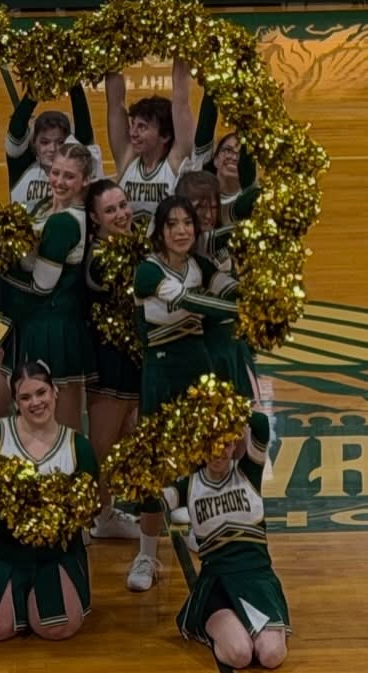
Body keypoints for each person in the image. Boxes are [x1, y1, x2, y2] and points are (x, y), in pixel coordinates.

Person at [127, 195, 240, 592]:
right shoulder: (146, 271)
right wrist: (235, 305)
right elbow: (190, 301)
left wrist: (253, 290)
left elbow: (231, 291)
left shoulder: (202, 266)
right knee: (154, 464)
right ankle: (145, 553)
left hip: (198, 368)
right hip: (161, 372)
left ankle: (195, 525)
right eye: (172, 224)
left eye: (188, 223)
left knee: (199, 457)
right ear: (159, 231)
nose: (181, 231)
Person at [0, 361, 98, 641]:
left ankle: (27, 600)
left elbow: (89, 509)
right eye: (25, 397)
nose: (35, 402)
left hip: (53, 553)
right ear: (15, 402)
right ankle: (16, 601)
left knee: (59, 628)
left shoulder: (77, 446)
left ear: (55, 392)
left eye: (41, 392)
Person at [0, 143, 95, 430]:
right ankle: (26, 455)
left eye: (69, 177)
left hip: (56, 331)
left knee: (63, 426)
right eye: (55, 173)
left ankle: (65, 472)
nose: (59, 182)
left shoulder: (66, 222)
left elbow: (41, 285)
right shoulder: (42, 207)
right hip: (27, 324)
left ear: (85, 181)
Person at [163, 411, 290, 669]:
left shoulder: (249, 471)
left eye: (226, 443)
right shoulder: (187, 486)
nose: (218, 451)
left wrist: (225, 406)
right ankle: (217, 623)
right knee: (240, 655)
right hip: (218, 582)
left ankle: (249, 626)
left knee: (272, 655)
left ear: (235, 443)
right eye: (211, 443)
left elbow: (261, 425)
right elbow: (150, 500)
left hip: (257, 578)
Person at [84, 179, 141, 539]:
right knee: (102, 444)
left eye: (123, 205)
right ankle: (91, 515)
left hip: (133, 356)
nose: (121, 214)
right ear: (94, 218)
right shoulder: (99, 260)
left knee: (125, 434)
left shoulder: (137, 243)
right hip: (108, 358)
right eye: (110, 210)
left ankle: (106, 510)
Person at [176, 172, 260, 403]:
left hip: (232, 345)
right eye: (198, 207)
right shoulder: (195, 243)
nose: (206, 214)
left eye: (213, 207)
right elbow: (239, 230)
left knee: (247, 424)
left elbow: (245, 205)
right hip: (206, 347)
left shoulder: (218, 242)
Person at [105, 60, 195, 227]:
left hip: (166, 250)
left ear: (165, 135)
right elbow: (115, 105)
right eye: (133, 125)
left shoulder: (176, 161)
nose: (132, 133)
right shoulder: (128, 157)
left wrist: (181, 47)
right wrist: (112, 51)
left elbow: (181, 101)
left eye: (142, 127)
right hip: (127, 250)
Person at [6, 83, 103, 209]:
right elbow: (17, 126)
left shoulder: (78, 167)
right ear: (34, 143)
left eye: (60, 142)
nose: (52, 149)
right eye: (45, 142)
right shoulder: (21, 168)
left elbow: (84, 130)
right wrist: (38, 83)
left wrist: (73, 82)